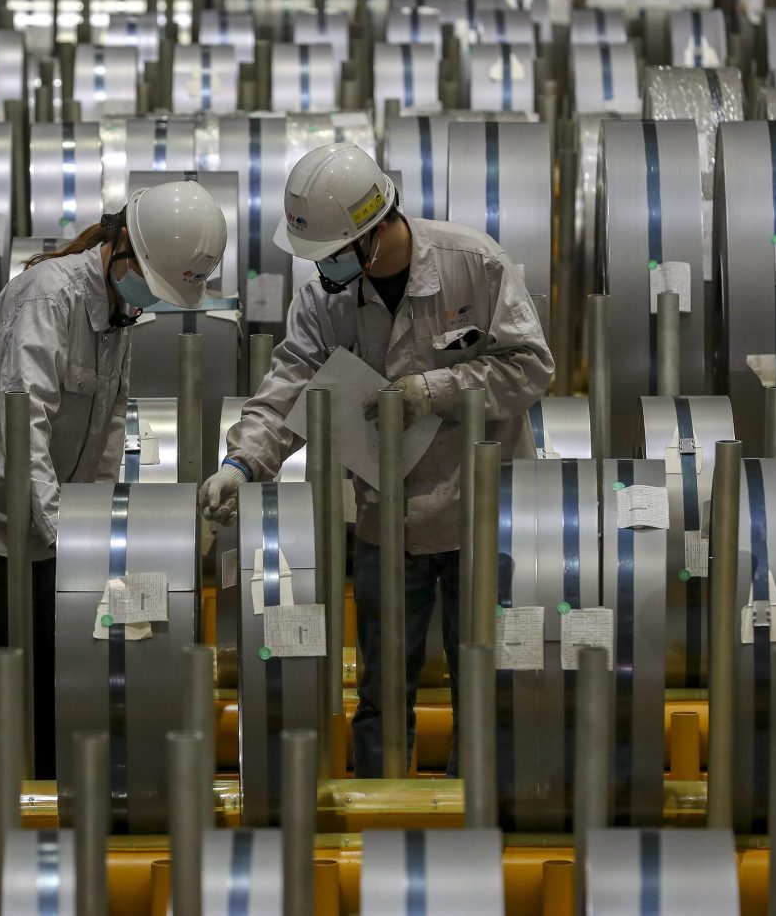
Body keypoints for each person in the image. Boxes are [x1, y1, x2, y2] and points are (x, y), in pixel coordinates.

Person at [201, 143, 553, 777]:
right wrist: (241, 463)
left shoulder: (474, 264)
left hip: (483, 514)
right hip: (386, 519)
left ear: (373, 231)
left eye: (333, 252)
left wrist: (434, 390)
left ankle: (476, 810)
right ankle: (380, 814)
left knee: (487, 685)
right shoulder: (324, 299)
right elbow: (289, 388)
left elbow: (530, 367)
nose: (324, 267)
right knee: (382, 695)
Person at [0, 180, 227, 778]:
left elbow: (108, 430)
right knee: (13, 683)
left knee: (62, 677)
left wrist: (99, 531)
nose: (147, 302)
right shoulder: (48, 298)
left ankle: (59, 794)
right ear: (122, 247)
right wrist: (71, 540)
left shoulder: (118, 313)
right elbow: (25, 428)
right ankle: (15, 801)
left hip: (52, 526)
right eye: (150, 284)